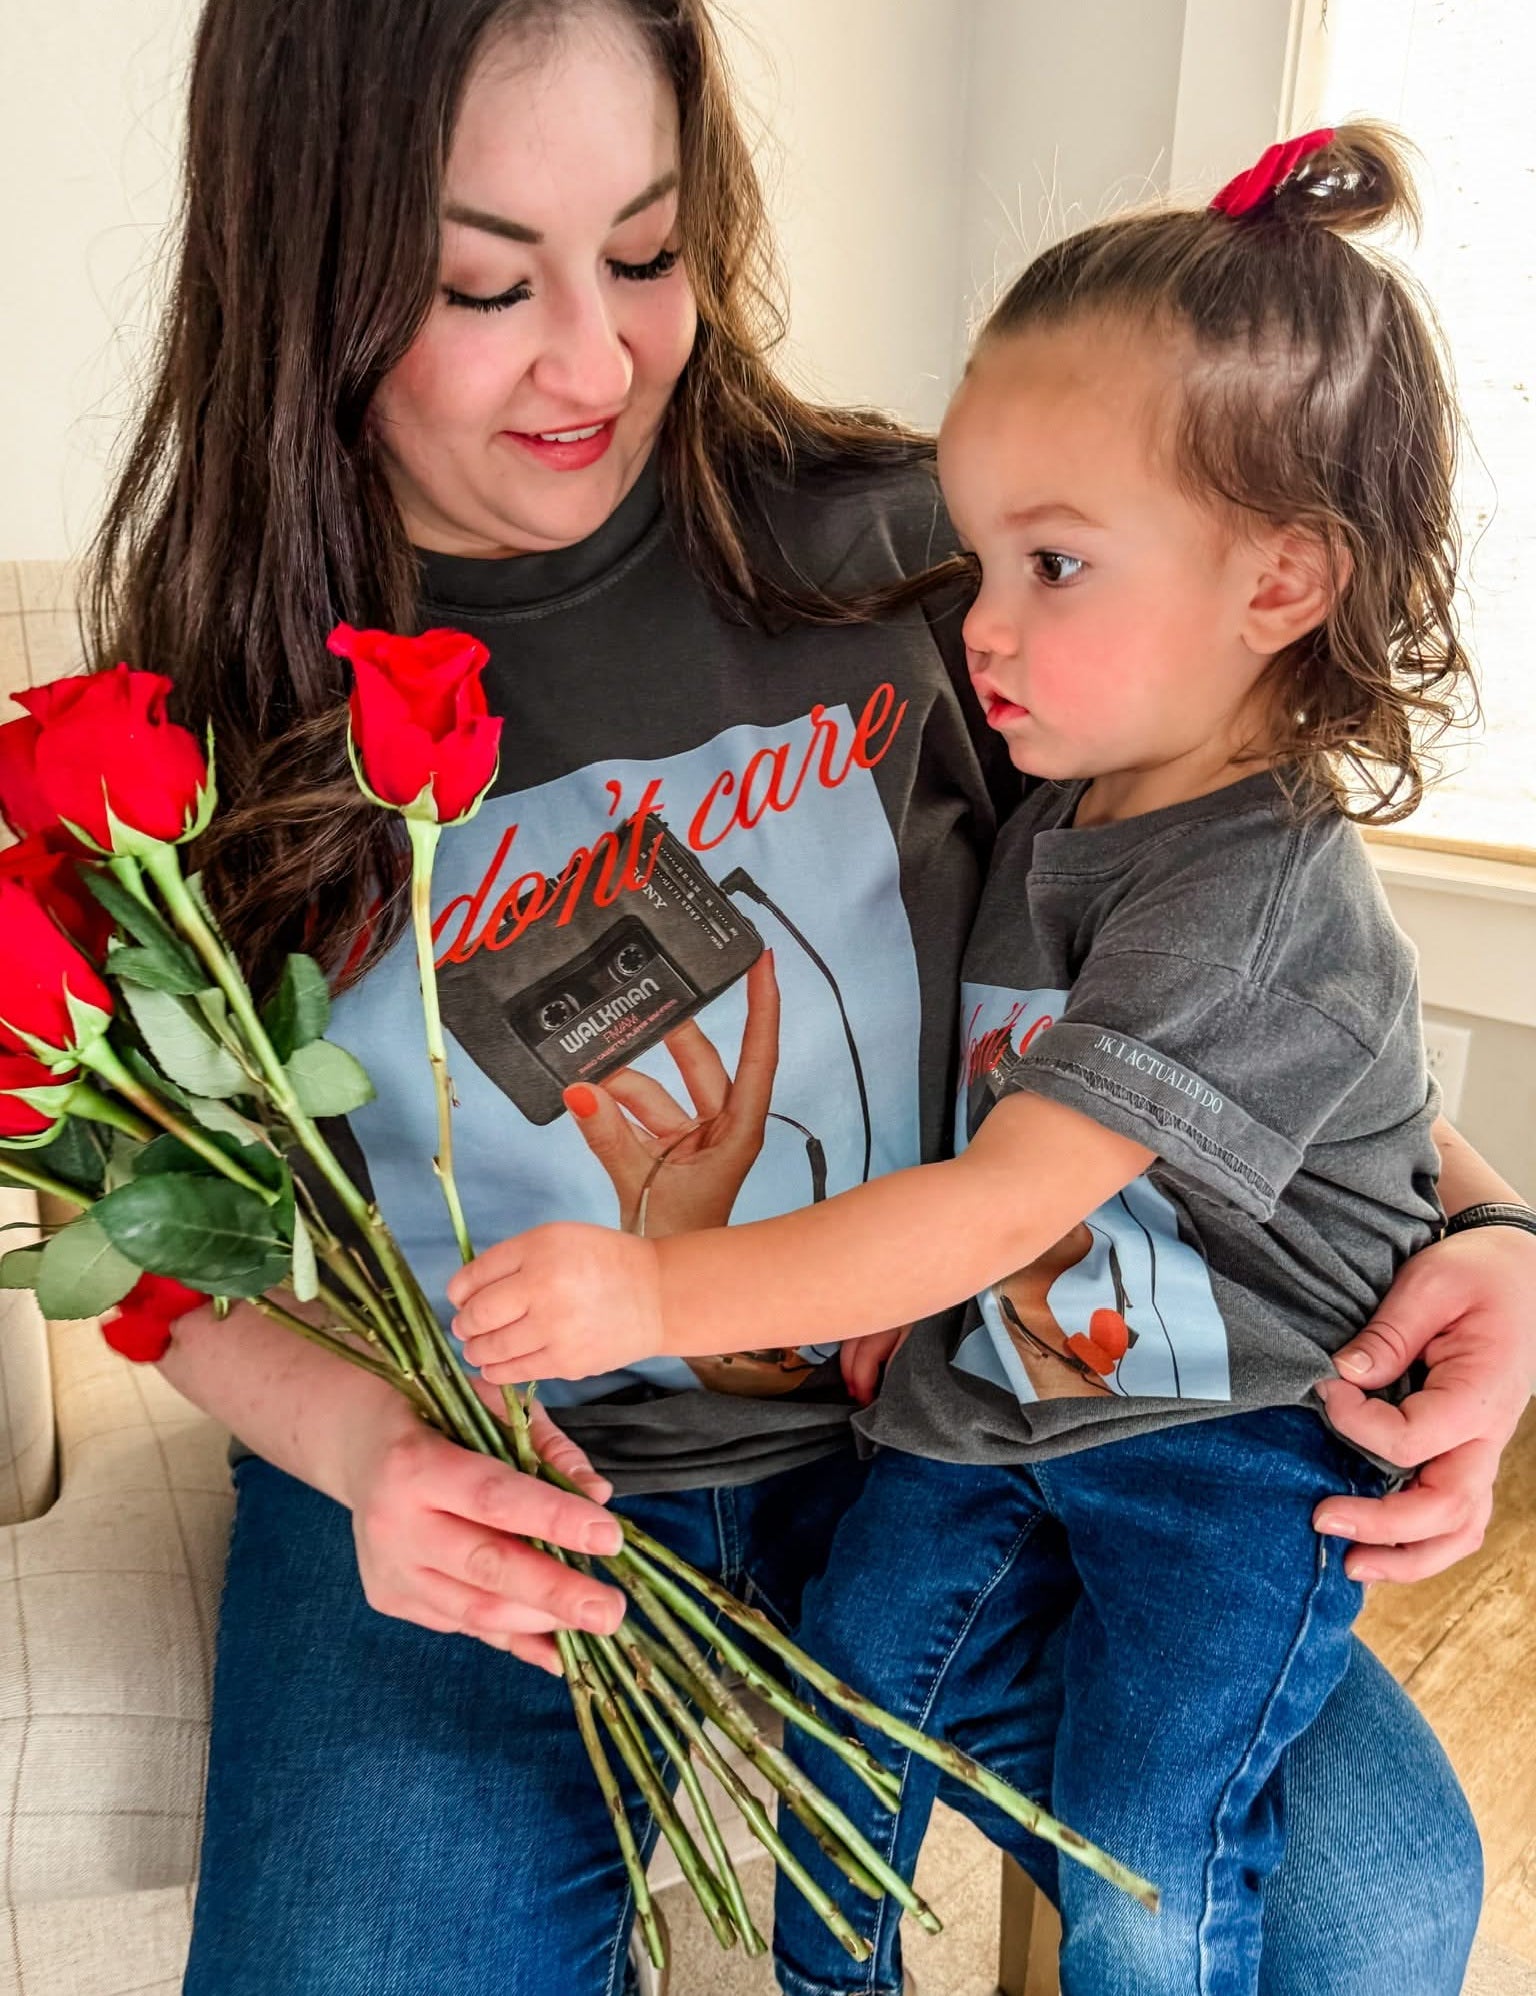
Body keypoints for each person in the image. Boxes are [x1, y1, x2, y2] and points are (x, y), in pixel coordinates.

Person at [79, 0, 1532, 1984]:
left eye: (650, 252)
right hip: (507, 1486)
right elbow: (133, 1207)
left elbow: (1212, 964)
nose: (593, 359)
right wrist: (357, 1448)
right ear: (305, 267)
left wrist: (1489, 1220)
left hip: (973, 1427)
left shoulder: (944, 566)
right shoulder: (209, 708)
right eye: (479, 283)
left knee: (1371, 1887)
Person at [446, 122, 1536, 1996]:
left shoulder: (1250, 886)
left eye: (1050, 565)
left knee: (1146, 1850)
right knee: (854, 1690)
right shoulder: (1066, 796)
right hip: (986, 1406)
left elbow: (1014, 1187)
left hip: (1227, 1447)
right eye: (977, 561)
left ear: (1280, 583)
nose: (982, 632)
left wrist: (656, 1280)